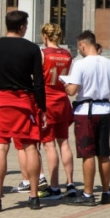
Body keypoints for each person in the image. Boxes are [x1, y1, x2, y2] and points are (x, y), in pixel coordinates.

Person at [0, 9, 46, 212]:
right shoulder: (32, 48)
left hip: (1, 100)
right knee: (30, 147)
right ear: (22, 26)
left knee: (0, 148)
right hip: (24, 101)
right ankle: (34, 197)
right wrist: (42, 108)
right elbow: (38, 82)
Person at [63, 30, 110, 205]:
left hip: (85, 112)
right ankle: (106, 191)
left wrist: (65, 85)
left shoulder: (80, 64)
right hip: (104, 110)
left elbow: (72, 91)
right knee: (104, 153)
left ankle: (88, 194)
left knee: (88, 154)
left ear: (82, 45)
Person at [40, 23, 76, 197]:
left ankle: (54, 185)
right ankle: (70, 183)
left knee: (49, 144)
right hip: (62, 99)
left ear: (45, 36)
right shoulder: (67, 55)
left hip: (47, 100)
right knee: (64, 142)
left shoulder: (43, 53)